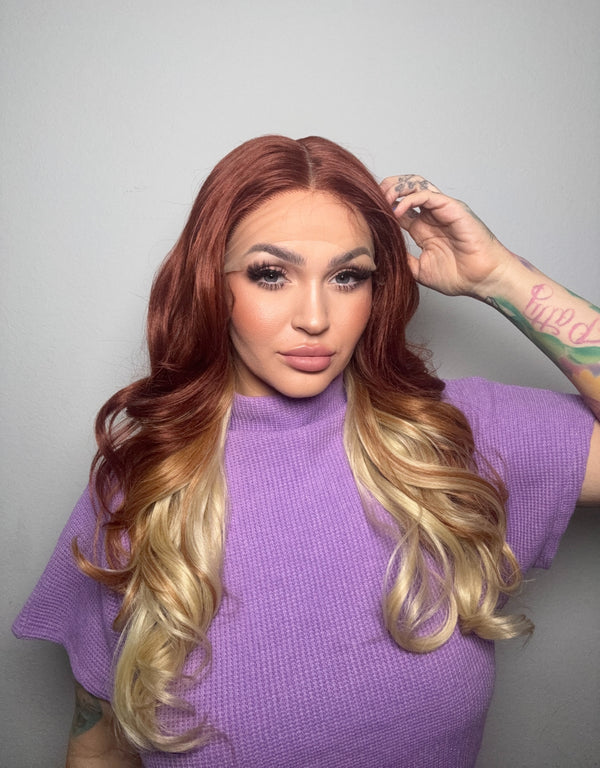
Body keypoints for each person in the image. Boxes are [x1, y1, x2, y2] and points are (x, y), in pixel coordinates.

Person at [13, 135, 599, 768]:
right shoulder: (144, 484)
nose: (315, 317)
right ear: (210, 282)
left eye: (348, 277)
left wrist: (500, 277)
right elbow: (100, 748)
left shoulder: (454, 435)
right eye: (271, 274)